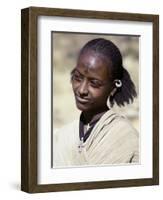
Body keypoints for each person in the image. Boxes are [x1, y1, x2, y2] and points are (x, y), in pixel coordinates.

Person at [53, 38, 139, 167]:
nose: (81, 90)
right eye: (77, 77)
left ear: (113, 87)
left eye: (94, 83)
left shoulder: (125, 136)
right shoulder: (63, 135)